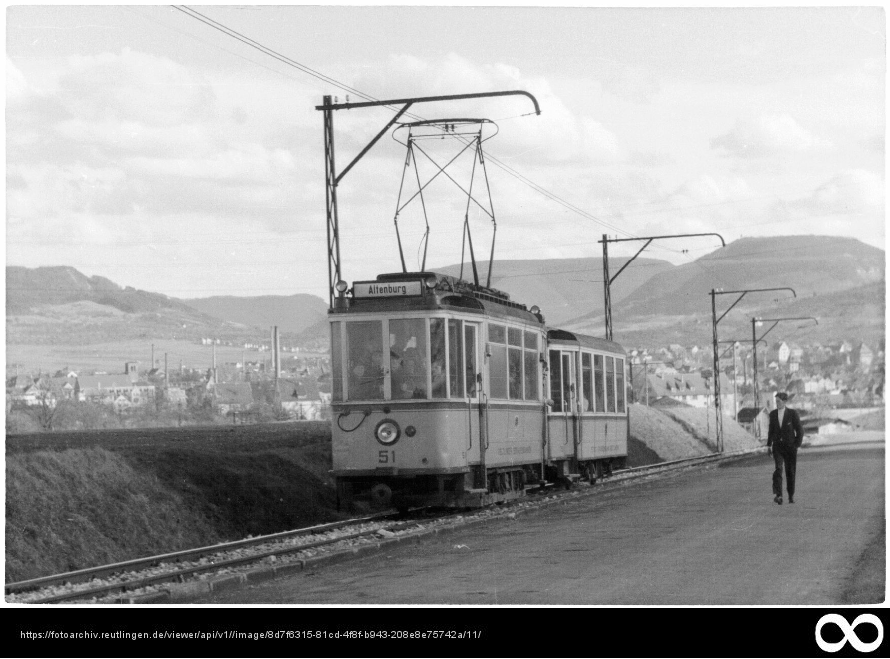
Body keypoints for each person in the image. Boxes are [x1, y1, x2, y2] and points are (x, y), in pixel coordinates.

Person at [767, 392, 804, 505]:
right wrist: (769, 445)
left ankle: (791, 495)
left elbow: (800, 430)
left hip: (790, 448)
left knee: (790, 472)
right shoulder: (773, 414)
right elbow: (771, 431)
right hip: (778, 447)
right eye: (776, 401)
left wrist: (796, 445)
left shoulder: (792, 413)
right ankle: (779, 495)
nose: (776, 403)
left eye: (778, 401)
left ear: (784, 401)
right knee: (778, 469)